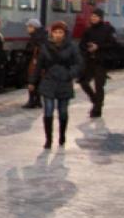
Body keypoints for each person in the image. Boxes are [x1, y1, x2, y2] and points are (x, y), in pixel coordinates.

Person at [35, 21, 81, 149]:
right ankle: (48, 139)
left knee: (63, 112)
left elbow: (79, 64)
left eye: (60, 32)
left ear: (64, 34)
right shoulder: (45, 47)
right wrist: (32, 82)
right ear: (51, 33)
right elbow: (39, 66)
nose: (58, 35)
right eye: (55, 32)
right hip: (49, 81)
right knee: (48, 111)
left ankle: (62, 135)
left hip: (64, 82)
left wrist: (69, 74)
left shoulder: (72, 47)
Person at [78, 8, 117, 118]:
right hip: (89, 60)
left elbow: (113, 44)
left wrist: (98, 47)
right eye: (92, 16)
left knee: (99, 85)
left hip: (102, 61)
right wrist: (87, 48)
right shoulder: (88, 30)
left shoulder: (108, 29)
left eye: (96, 16)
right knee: (83, 82)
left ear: (101, 18)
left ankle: (97, 109)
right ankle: (95, 100)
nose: (93, 18)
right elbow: (81, 44)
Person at [21, 18, 46, 109]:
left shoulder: (35, 37)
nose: (27, 28)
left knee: (32, 80)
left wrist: (26, 54)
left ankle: (32, 101)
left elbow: (32, 50)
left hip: (34, 62)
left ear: (33, 27)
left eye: (29, 26)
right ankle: (38, 101)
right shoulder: (42, 35)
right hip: (40, 63)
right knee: (38, 81)